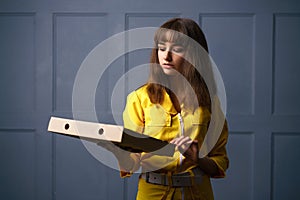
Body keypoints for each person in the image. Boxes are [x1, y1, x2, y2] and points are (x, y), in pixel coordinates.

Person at [108, 18, 229, 200]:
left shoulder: (210, 103)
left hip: (197, 194)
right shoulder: (140, 99)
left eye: (177, 49)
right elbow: (132, 163)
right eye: (161, 48)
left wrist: (198, 159)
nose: (166, 56)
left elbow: (220, 160)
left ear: (194, 54)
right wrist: (119, 152)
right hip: (152, 193)